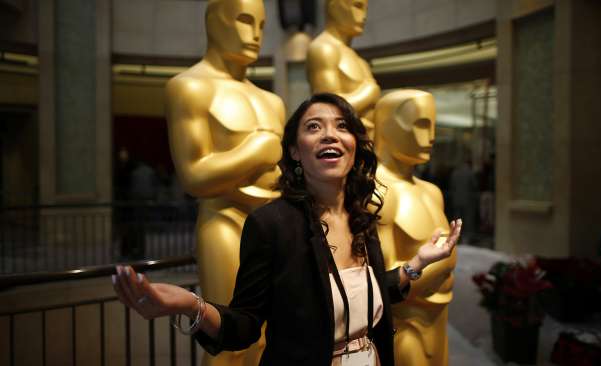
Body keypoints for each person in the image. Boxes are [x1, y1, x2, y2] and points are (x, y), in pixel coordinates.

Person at [112, 93, 462, 366]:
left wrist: (417, 263)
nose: (330, 135)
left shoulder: (362, 218)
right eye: (313, 127)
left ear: (355, 146)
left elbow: (359, 294)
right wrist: (191, 305)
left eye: (342, 126)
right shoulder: (272, 224)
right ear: (295, 151)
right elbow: (245, 325)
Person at [165, 0, 285, 364]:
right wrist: (258, 150)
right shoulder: (189, 88)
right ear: (215, 22)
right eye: (244, 21)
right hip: (226, 219)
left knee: (275, 334)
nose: (255, 35)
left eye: (261, 25)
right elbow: (194, 175)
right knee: (232, 340)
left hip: (276, 224)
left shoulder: (272, 101)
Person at [374, 90, 457, 365]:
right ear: (387, 125)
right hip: (404, 326)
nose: (431, 136)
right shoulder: (378, 192)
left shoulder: (431, 191)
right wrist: (439, 264)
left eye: (433, 125)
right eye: (421, 124)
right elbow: (379, 282)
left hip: (438, 319)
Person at [306, 0, 380, 138]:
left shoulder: (358, 58)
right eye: (357, 6)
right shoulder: (323, 49)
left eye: (365, 9)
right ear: (334, 7)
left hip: (365, 145)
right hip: (341, 146)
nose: (364, 16)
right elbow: (328, 107)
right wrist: (369, 92)